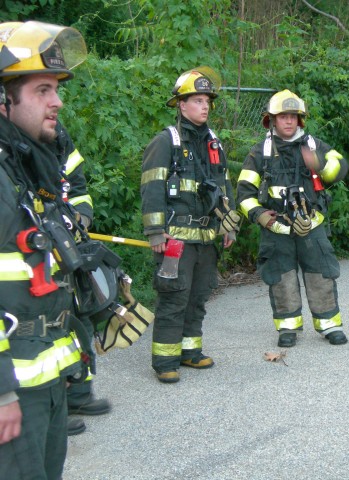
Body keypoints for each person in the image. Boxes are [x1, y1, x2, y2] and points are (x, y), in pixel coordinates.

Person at [0, 20, 89, 478]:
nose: (57, 102)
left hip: (45, 379)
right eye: (42, 90)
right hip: (13, 390)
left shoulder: (27, 167)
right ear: (2, 98)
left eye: (56, 88)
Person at [140, 66, 239, 384]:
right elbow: (152, 187)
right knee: (174, 296)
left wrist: (229, 225)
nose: (205, 106)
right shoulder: (165, 141)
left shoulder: (214, 144)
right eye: (197, 100)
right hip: (175, 239)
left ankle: (190, 351)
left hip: (207, 237)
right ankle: (165, 360)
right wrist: (155, 231)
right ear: (181, 104)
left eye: (207, 100)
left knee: (198, 295)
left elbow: (224, 186)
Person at [236, 89, 349, 348]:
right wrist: (261, 216)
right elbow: (244, 193)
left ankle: (329, 325)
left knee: (320, 274)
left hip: (312, 225)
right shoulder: (259, 153)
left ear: (300, 120)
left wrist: (319, 164)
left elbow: (340, 168)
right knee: (281, 276)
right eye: (283, 116)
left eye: (294, 116)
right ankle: (288, 327)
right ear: (271, 120)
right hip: (277, 230)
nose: (288, 121)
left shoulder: (314, 145)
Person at [51, 121, 112, 435]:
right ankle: (48, 409)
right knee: (44, 329)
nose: (55, 102)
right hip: (33, 256)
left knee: (79, 319)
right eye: (42, 90)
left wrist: (81, 218)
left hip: (67, 249)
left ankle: (78, 393)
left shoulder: (58, 134)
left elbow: (77, 189)